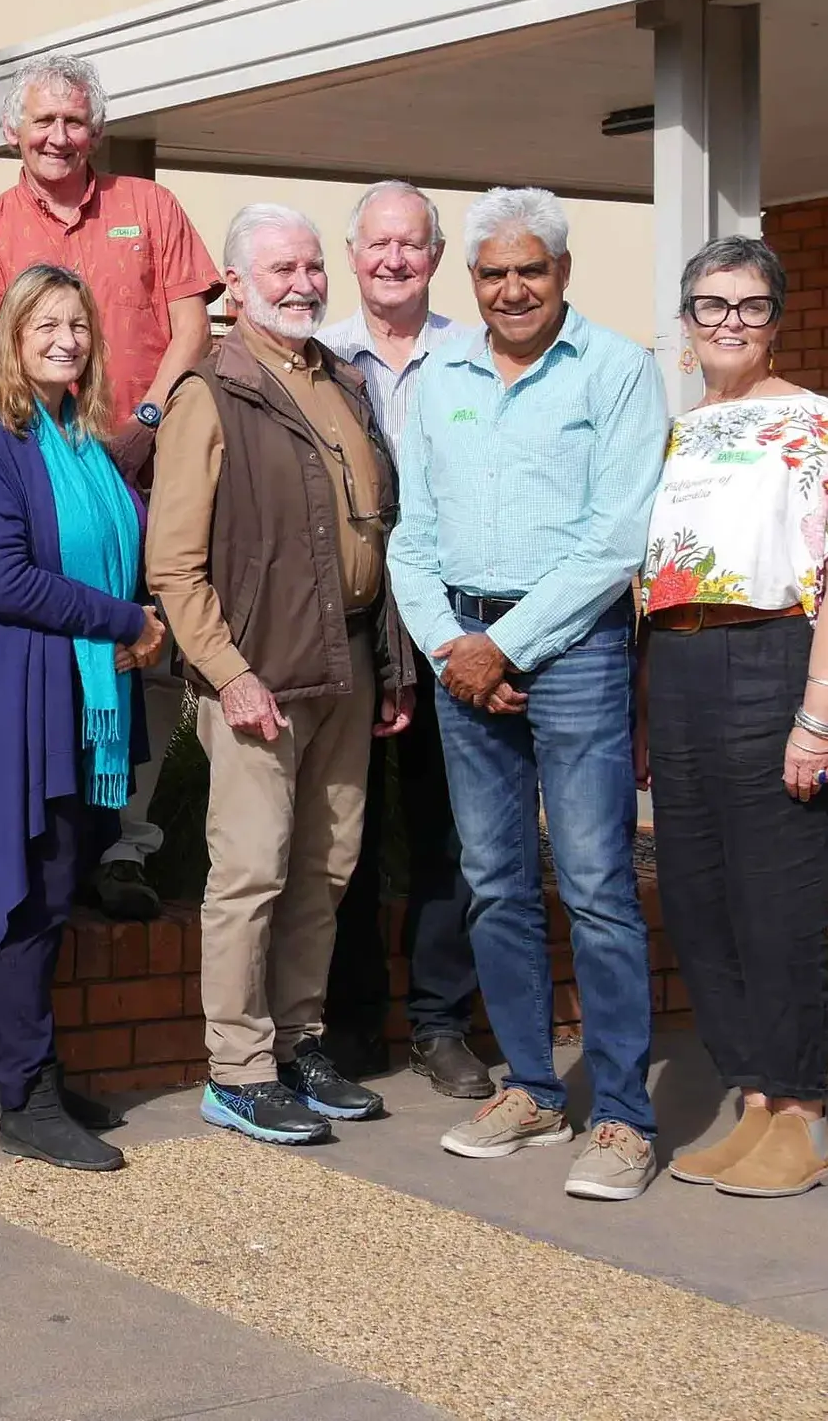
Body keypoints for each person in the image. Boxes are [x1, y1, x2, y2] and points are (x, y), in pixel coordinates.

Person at [388, 186, 667, 1201]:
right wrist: (454, 645)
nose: (513, 288)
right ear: (473, 281)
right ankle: (534, 1087)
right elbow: (410, 535)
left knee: (594, 879)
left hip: (577, 646)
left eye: (531, 270)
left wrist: (501, 646)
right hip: (463, 637)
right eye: (495, 272)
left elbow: (613, 540)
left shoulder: (617, 369)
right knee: (495, 878)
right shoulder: (444, 375)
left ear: (563, 272)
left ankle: (626, 1117)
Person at [146, 204, 414, 1147]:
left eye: (310, 266)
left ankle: (299, 1041)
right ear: (232, 287)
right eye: (279, 270)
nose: (301, 283)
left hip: (344, 663)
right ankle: (237, 1066)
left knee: (326, 866)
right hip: (256, 674)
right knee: (252, 870)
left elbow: (374, 532)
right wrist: (229, 674)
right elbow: (173, 565)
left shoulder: (339, 378)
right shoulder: (207, 393)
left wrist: (388, 665)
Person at [0, 50, 222, 924]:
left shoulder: (149, 207)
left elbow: (190, 329)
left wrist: (136, 425)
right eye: (42, 122)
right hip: (39, 463)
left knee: (152, 648)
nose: (58, 137)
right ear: (11, 133)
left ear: (95, 130)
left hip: (144, 457)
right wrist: (68, 452)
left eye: (73, 121)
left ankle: (123, 843)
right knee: (57, 643)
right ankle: (56, 834)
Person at [0, 264, 167, 1173]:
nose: (65, 338)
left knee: (61, 879)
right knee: (28, 894)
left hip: (85, 694)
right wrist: (125, 620)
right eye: (44, 322)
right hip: (21, 696)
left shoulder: (81, 436)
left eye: (77, 323)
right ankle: (21, 1099)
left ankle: (36, 1070)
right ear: (9, 332)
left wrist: (143, 613)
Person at [638, 237, 828, 1198]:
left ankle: (802, 1108)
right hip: (673, 661)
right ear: (685, 323)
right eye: (710, 307)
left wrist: (816, 715)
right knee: (699, 890)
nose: (728, 325)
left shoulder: (811, 424)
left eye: (748, 307)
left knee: (779, 895)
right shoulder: (677, 432)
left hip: (772, 656)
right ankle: (751, 1096)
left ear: (773, 317)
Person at [313, 181, 490, 1099]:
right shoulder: (316, 356)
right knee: (345, 829)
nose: (393, 260)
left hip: (447, 622)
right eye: (377, 244)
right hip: (342, 627)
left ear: (433, 256)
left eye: (411, 245)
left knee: (444, 833)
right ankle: (348, 1024)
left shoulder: (475, 356)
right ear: (353, 255)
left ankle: (438, 1022)